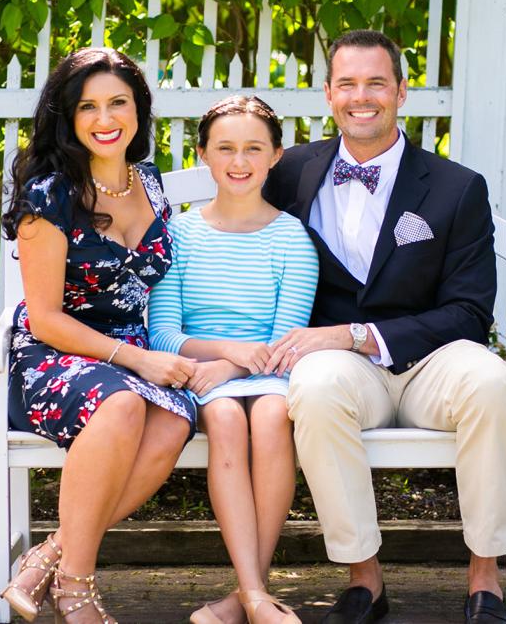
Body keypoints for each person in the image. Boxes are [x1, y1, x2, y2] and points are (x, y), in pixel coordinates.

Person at [262, 30, 506, 624]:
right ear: (327, 94)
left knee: (491, 382)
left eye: (376, 83)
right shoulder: (292, 173)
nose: (362, 96)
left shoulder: (458, 188)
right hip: (346, 372)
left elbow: (470, 314)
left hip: (435, 359)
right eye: (347, 84)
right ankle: (365, 582)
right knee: (316, 387)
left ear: (401, 92)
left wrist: (357, 334)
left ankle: (485, 579)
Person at [0, 48, 197, 624]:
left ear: (139, 110)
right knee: (122, 404)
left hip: (138, 352)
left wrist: (168, 353)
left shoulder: (152, 184)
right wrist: (138, 360)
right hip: (57, 352)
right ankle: (76, 591)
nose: (105, 118)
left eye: (118, 103)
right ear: (67, 117)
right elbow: (45, 318)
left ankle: (47, 557)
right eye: (88, 106)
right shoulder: (50, 193)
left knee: (173, 421)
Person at [148, 96, 318, 624]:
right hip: (201, 373)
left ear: (275, 157)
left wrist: (239, 365)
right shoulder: (177, 234)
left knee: (270, 417)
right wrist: (223, 355)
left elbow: (283, 340)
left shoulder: (292, 238)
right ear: (204, 155)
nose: (238, 161)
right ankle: (256, 595)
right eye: (225, 148)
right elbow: (164, 334)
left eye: (253, 149)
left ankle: (247, 594)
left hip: (270, 372)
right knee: (224, 418)